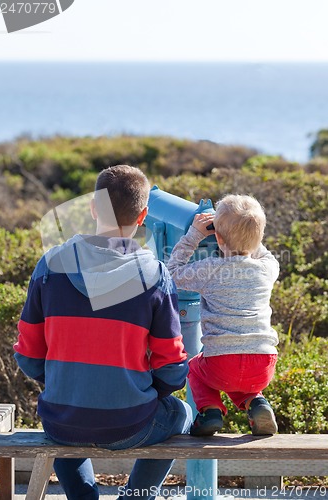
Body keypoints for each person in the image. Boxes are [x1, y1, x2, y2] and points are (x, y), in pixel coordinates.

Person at [14, 164, 192, 500]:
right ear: (143, 217)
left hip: (61, 421)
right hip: (132, 424)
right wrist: (137, 391)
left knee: (67, 414)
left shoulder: (50, 265)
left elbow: (28, 355)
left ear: (94, 207)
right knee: (181, 413)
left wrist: (67, 379)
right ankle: (136, 497)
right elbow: (172, 366)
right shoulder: (154, 275)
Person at [167, 194, 279, 437]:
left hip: (221, 363)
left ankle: (210, 411)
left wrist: (193, 236)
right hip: (263, 364)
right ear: (259, 237)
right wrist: (247, 235)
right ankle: (256, 403)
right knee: (242, 380)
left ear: (217, 237)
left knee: (196, 367)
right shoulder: (267, 269)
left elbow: (172, 273)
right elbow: (263, 252)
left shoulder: (210, 268)